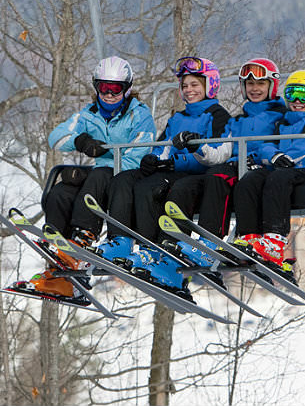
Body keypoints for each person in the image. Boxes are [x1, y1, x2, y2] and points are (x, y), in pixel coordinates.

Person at [91, 56, 231, 298]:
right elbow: (163, 146)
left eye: (195, 85)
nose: (189, 91)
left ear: (210, 86)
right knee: (124, 179)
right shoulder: (178, 117)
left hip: (195, 174)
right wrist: (153, 159)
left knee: (152, 188)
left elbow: (220, 154)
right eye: (185, 86)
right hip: (172, 169)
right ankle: (122, 242)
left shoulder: (218, 115)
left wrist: (194, 147)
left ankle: (163, 256)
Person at [18, 56, 157, 298]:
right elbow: (56, 138)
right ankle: (59, 262)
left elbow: (138, 155)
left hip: (128, 179)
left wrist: (106, 161)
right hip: (100, 178)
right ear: (96, 87)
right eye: (104, 87)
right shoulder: (89, 114)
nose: (110, 94)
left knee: (100, 175)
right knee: (61, 192)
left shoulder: (139, 115)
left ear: (128, 89)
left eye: (116, 88)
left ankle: (82, 240)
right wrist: (81, 142)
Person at [163, 57, 287, 267]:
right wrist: (198, 147)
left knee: (218, 176)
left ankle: (213, 240)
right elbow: (220, 153)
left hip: (263, 170)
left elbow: (284, 144)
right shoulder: (237, 121)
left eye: (260, 84)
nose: (254, 89)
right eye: (250, 84)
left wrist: (263, 158)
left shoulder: (281, 116)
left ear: (271, 86)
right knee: (216, 173)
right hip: (235, 167)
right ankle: (204, 243)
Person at [231, 69, 305, 283]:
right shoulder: (283, 121)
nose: (297, 101)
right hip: (287, 170)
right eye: (292, 94)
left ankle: (274, 240)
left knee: (278, 178)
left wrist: (285, 157)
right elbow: (267, 145)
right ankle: (249, 236)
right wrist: (274, 155)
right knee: (251, 179)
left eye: (304, 95)